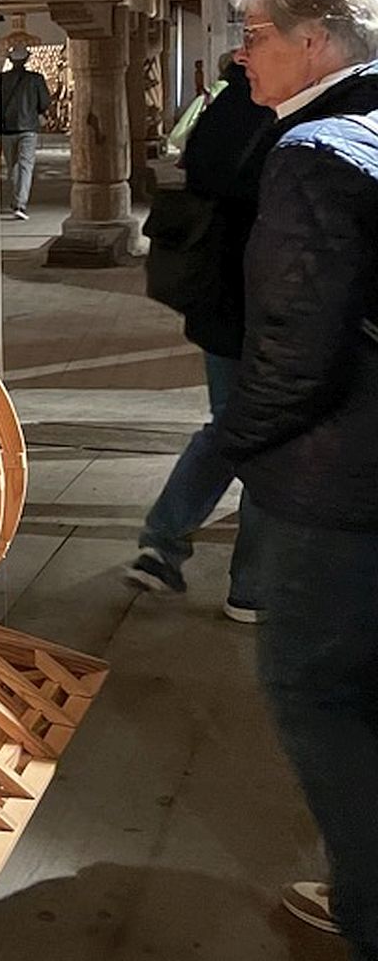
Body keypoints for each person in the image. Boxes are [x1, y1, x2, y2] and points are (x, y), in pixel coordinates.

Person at [211, 0, 378, 961]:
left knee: (317, 696)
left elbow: (292, 350)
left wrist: (237, 448)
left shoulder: (317, 150)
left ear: (316, 41)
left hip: (342, 483)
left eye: (256, 35)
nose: (242, 55)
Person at [124, 53, 274, 620]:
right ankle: (251, 586)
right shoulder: (282, 114)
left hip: (219, 300)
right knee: (268, 439)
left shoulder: (222, 107)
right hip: (263, 304)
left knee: (231, 426)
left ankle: (164, 544)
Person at [0, 42, 51, 220]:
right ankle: (20, 204)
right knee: (25, 165)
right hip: (28, 128)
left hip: (7, 129)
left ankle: (17, 200)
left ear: (10, 60)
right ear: (26, 60)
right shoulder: (36, 79)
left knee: (12, 166)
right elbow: (45, 103)